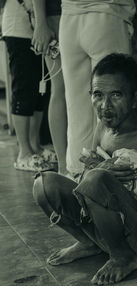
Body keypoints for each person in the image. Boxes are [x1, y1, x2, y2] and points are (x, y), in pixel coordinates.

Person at [33, 53, 137, 285]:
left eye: (116, 95)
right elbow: (88, 177)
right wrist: (99, 172)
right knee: (44, 185)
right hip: (109, 227)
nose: (105, 106)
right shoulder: (103, 127)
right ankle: (89, 242)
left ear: (135, 98)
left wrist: (121, 182)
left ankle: (123, 257)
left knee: (96, 180)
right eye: (98, 95)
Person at [59, 0, 136, 178]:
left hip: (70, 17)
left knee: (76, 109)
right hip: (107, 14)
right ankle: (111, 183)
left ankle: (78, 178)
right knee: (115, 105)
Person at [1, 0, 55, 171]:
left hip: (38, 29)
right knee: (24, 89)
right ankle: (23, 152)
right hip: (18, 30)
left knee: (40, 90)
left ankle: (35, 146)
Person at [31, 0, 68, 175]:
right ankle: (62, 165)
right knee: (60, 91)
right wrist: (40, 23)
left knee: (75, 92)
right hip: (55, 15)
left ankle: (70, 163)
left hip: (70, 14)